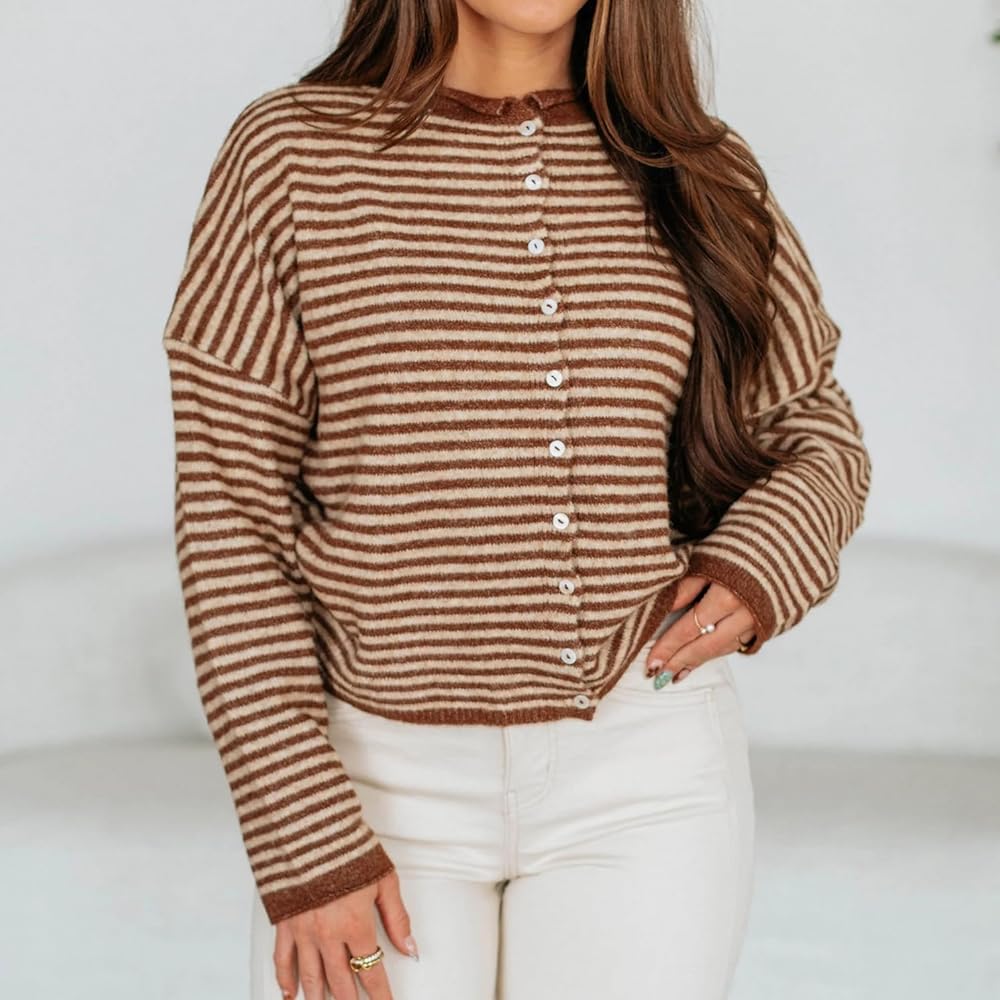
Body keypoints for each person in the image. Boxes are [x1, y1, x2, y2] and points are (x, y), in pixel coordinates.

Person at [159, 1, 872, 997]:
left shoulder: (702, 169)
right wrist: (303, 838)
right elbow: (231, 516)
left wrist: (759, 564)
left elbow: (812, 427)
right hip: (372, 779)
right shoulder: (291, 155)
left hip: (646, 769)